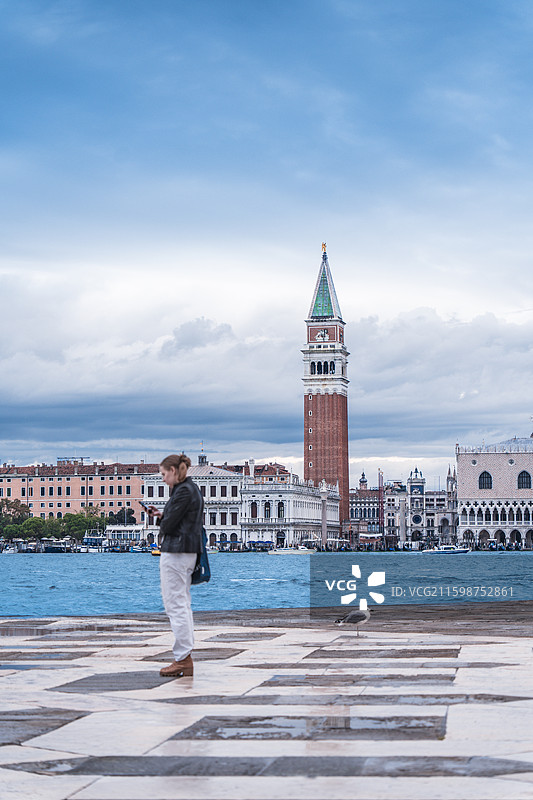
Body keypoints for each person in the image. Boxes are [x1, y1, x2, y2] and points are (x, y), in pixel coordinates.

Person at [147, 453, 203, 678]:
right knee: (182, 603)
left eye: (163, 474)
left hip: (177, 552)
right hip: (186, 551)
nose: (162, 479)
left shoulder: (182, 491)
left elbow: (169, 526)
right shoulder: (190, 489)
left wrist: (163, 519)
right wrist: (162, 515)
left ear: (173, 471)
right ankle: (184, 656)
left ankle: (183, 658)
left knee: (175, 605)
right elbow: (178, 521)